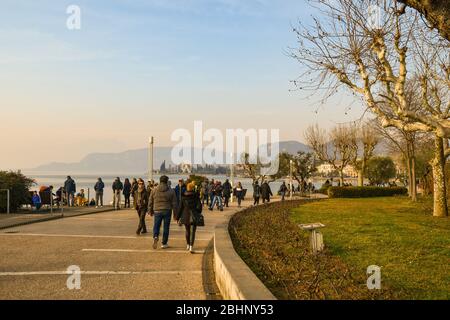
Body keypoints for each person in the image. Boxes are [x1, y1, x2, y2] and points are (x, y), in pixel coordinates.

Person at [148, 175, 178, 249]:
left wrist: (150, 211)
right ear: (167, 181)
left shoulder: (154, 190)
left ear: (160, 181)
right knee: (166, 227)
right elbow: (175, 203)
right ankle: (164, 243)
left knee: (156, 225)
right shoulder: (171, 191)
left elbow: (150, 201)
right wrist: (175, 214)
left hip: (157, 210)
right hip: (167, 210)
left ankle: (155, 236)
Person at [175, 182, 203, 253]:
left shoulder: (183, 197)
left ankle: (187, 244)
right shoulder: (196, 196)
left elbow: (180, 208)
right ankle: (191, 246)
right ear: (193, 188)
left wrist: (177, 217)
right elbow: (199, 207)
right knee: (192, 231)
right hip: (194, 215)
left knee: (187, 231)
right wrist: (197, 212)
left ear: (187, 188)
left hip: (185, 216)